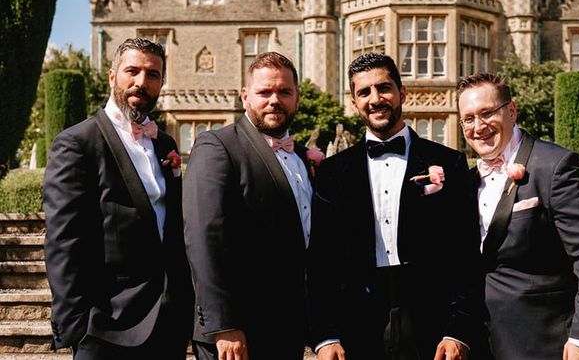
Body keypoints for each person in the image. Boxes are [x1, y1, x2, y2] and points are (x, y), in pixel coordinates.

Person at [308, 52, 482, 360]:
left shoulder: (449, 163)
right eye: (364, 92)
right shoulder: (331, 172)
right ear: (354, 102)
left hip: (432, 320)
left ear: (402, 92)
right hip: (356, 324)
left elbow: (465, 254)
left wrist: (459, 330)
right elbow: (322, 261)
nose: (375, 99)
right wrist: (325, 336)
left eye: (383, 88)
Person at [44, 37, 193, 359]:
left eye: (153, 75)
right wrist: (75, 326)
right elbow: (64, 240)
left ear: (162, 83)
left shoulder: (164, 142)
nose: (142, 82)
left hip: (168, 323)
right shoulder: (77, 143)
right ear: (112, 76)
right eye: (132, 71)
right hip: (106, 325)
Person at [457, 72, 579, 360]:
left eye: (487, 113)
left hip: (547, 342)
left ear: (512, 111)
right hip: (484, 343)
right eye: (468, 118)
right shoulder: (466, 181)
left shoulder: (555, 166)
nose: (478, 127)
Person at [183, 51, 319, 360]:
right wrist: (223, 324)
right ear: (246, 96)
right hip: (237, 332)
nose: (274, 100)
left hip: (288, 326)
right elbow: (205, 239)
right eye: (264, 92)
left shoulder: (303, 157)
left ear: (297, 98)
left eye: (284, 92)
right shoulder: (217, 146)